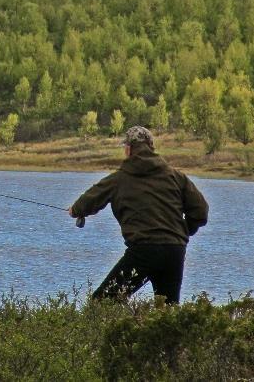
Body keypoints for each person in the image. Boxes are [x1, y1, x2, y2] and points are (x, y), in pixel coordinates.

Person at [68, 126, 209, 304]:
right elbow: (200, 211)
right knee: (168, 312)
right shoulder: (176, 177)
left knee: (101, 304)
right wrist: (183, 231)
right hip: (175, 250)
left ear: (128, 149)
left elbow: (89, 200)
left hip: (144, 250)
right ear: (151, 147)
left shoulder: (119, 178)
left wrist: (75, 210)